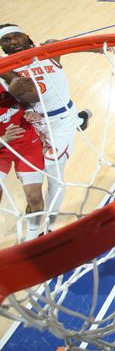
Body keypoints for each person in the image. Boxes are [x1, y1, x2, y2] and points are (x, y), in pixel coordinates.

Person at [0, 24, 93, 232]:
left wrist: (98, 47)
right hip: (35, 124)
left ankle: (49, 226)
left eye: (16, 36)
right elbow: (28, 97)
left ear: (27, 36)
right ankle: (82, 120)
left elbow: (78, 46)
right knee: (37, 179)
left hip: (61, 120)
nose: (13, 41)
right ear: (1, 46)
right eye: (6, 40)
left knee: (52, 169)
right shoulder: (5, 68)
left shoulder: (49, 49)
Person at [0, 82, 46, 241]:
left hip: (28, 146)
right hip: (1, 150)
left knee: (34, 197)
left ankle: (33, 238)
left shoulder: (7, 80)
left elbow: (33, 99)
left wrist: (30, 111)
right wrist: (3, 140)